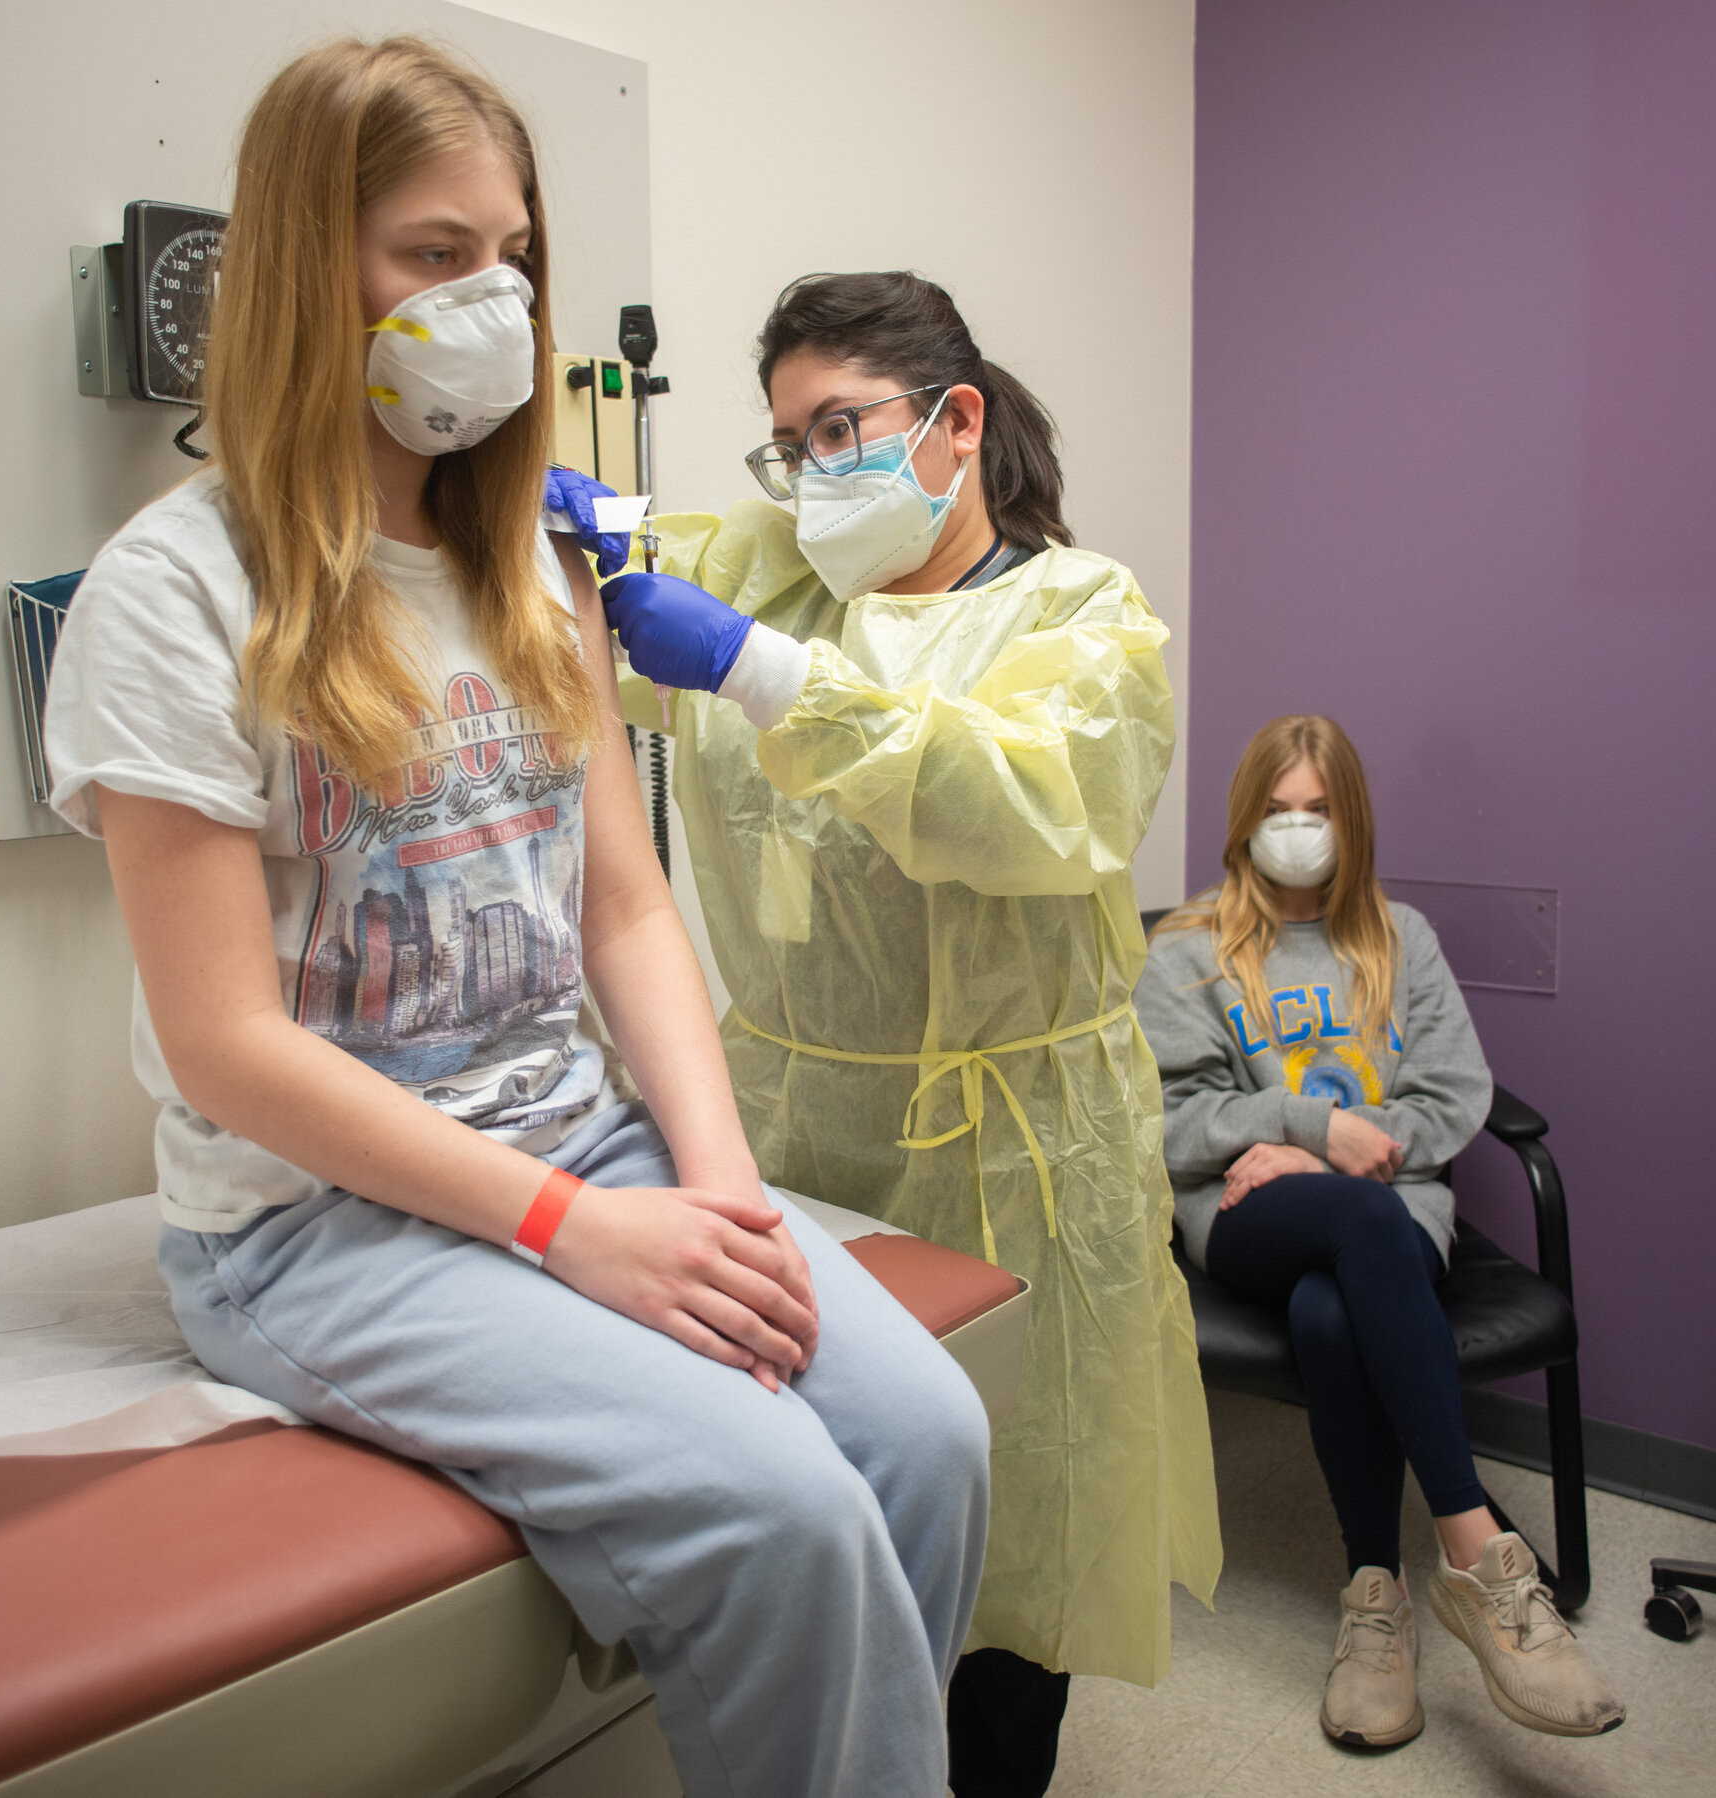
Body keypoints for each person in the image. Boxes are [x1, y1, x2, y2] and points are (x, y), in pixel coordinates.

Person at [41, 41, 990, 1798]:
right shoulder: (173, 594)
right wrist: (573, 1230)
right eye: (431, 252)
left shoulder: (541, 571)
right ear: (304, 266)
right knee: (782, 1506)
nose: (490, 298)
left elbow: (625, 907)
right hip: (316, 1225)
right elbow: (226, 1050)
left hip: (590, 1140)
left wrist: (717, 1185)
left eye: (512, 257)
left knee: (930, 1432)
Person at [598, 271, 1223, 1797]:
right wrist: (560, 523)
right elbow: (595, 587)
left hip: (1016, 1147)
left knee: (1019, 1546)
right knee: (819, 1515)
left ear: (958, 424)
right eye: (787, 443)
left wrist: (751, 671)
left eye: (841, 430)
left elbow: (1024, 801)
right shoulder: (780, 574)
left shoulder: (1081, 613)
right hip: (794, 1129)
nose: (814, 474)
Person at [1137, 714, 1625, 1748]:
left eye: (1317, 810)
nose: (1298, 830)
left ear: (1350, 821)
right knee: (1348, 1224)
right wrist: (1310, 1125)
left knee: (1329, 1308)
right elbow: (1168, 1124)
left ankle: (1376, 1599)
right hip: (1242, 1215)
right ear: (1245, 821)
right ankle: (1477, 1554)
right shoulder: (1188, 949)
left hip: (1389, 1211)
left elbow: (1454, 1098)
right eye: (1277, 811)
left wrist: (1337, 1150)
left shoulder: (1404, 941)